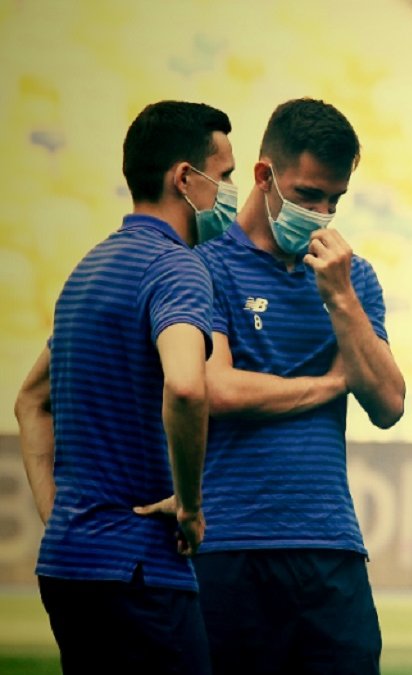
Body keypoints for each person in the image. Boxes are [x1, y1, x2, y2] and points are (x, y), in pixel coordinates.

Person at [162, 98, 405, 674]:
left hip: (330, 542)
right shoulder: (206, 266)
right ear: (264, 176)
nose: (321, 214)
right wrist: (331, 384)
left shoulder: (353, 278)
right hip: (229, 543)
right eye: (307, 195)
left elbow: (389, 403)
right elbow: (217, 389)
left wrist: (340, 298)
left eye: (334, 200)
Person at [14, 100, 235, 675]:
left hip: (69, 567)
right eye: (226, 175)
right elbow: (185, 386)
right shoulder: (177, 268)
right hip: (140, 571)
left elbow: (30, 401)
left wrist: (58, 513)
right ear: (185, 178)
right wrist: (190, 505)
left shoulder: (87, 271)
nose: (230, 194)